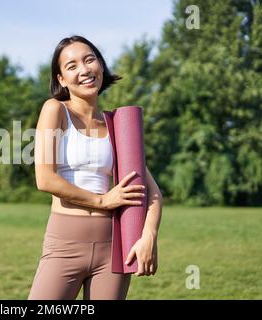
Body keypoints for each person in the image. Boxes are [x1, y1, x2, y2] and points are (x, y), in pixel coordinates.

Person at [28, 35, 163, 300]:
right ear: (61, 79)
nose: (84, 69)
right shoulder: (55, 110)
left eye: (90, 59)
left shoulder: (118, 124)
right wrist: (102, 200)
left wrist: (148, 236)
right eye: (72, 65)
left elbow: (153, 193)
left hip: (114, 247)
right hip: (64, 244)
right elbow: (45, 179)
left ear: (101, 65)